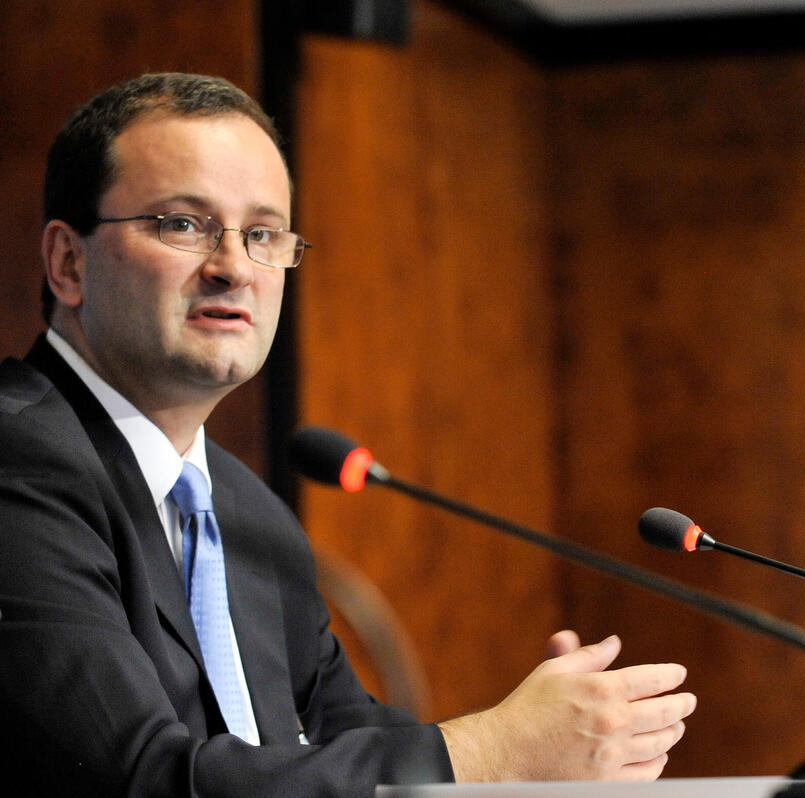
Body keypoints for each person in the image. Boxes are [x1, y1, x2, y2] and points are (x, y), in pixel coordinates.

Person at [0, 73, 695, 797]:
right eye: (182, 223)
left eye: (262, 233)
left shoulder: (244, 510)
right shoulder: (18, 466)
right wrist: (492, 752)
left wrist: (542, 764)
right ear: (69, 262)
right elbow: (140, 779)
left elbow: (349, 746)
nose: (233, 267)